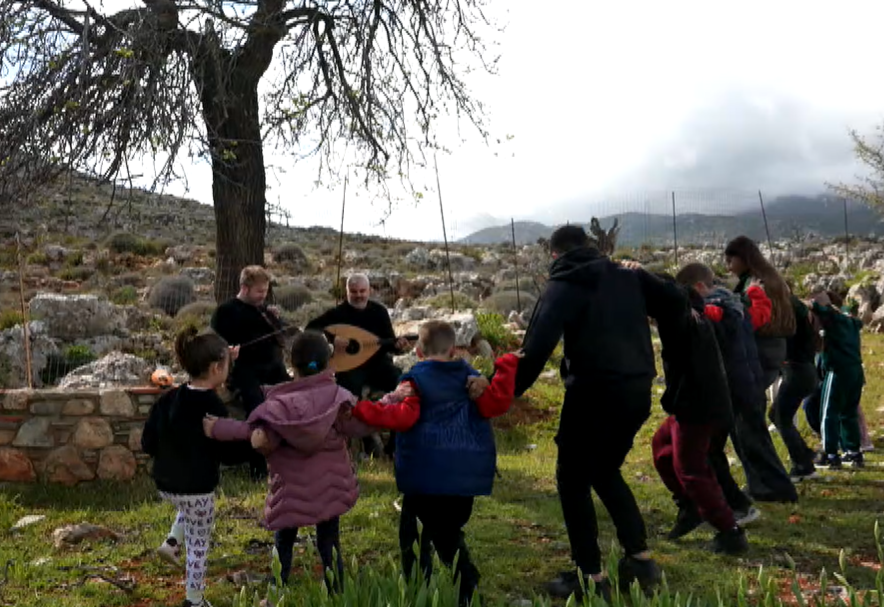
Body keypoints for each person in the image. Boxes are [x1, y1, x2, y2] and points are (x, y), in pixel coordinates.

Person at [513, 225, 690, 600]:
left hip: (593, 394)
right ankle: (641, 561)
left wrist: (503, 394)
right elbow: (677, 301)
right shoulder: (628, 275)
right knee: (605, 469)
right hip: (637, 390)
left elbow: (535, 348)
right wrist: (646, 274)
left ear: (555, 254)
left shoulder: (563, 283)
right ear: (591, 246)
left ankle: (589, 576)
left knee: (572, 478)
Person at [351, 320, 522, 607]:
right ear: (453, 350)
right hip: (465, 476)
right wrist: (505, 367)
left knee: (415, 535)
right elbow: (496, 404)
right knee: (449, 532)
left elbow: (401, 417)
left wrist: (361, 409)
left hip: (425, 475)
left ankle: (427, 587)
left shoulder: (414, 381)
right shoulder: (472, 379)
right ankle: (465, 591)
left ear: (419, 352)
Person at [204, 331, 377, 592]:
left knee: (284, 538)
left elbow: (254, 433)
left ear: (291, 364)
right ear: (328, 362)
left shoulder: (278, 407)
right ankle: (336, 587)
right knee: (329, 540)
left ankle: (278, 584)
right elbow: (360, 424)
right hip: (330, 489)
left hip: (290, 492)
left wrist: (218, 427)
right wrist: (393, 405)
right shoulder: (337, 399)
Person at [141, 327, 251, 607]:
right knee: (198, 546)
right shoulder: (212, 405)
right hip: (197, 489)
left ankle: (171, 542)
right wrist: (253, 444)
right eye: (226, 364)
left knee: (189, 507)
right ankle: (194, 600)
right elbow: (227, 453)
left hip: (166, 483)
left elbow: (147, 442)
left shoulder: (169, 398)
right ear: (216, 368)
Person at [651, 272, 748, 555]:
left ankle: (730, 531)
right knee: (662, 445)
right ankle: (689, 506)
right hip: (696, 403)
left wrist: (638, 275)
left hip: (697, 406)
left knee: (691, 468)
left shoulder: (681, 320)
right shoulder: (690, 314)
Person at [722, 237, 798, 503]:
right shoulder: (772, 279)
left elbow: (750, 319)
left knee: (747, 425)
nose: (729, 266)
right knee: (747, 423)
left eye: (731, 260)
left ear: (744, 258)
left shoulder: (756, 284)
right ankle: (764, 483)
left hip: (758, 354)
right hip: (772, 352)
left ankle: (770, 484)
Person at [306, 273, 410, 457]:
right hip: (351, 367)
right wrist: (332, 339)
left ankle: (393, 446)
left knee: (401, 384)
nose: (359, 295)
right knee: (348, 392)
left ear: (369, 291)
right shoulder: (338, 313)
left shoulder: (379, 311)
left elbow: (388, 342)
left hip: (378, 364)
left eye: (362, 291)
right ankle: (362, 438)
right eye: (354, 292)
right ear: (347, 292)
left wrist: (398, 346)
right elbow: (310, 329)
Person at [210, 265, 292, 480]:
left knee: (294, 399)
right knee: (257, 410)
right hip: (245, 372)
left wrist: (275, 320)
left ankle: (290, 459)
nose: (263, 295)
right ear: (245, 288)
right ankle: (258, 466)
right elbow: (215, 345)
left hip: (274, 369)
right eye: (259, 291)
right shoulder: (225, 312)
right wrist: (228, 353)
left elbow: (281, 338)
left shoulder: (264, 311)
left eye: (265, 291)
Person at [808, 291, 866, 469]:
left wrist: (813, 303)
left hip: (838, 371)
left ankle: (830, 454)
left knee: (829, 413)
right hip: (856, 370)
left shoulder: (832, 319)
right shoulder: (850, 321)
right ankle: (854, 452)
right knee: (849, 412)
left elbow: (816, 307)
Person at [771, 286, 820, 481]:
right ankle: (805, 455)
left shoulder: (789, 316)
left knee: (780, 417)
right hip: (805, 371)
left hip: (796, 372)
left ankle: (803, 465)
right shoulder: (801, 313)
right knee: (778, 415)